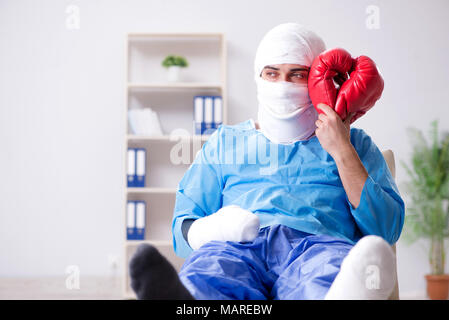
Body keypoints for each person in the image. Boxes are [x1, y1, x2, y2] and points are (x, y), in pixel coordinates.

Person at [129, 23, 405, 300]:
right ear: (258, 77)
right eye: (271, 74)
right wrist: (218, 228)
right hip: (237, 246)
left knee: (327, 273)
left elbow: (386, 230)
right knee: (211, 271)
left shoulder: (354, 143)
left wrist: (341, 148)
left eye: (297, 75)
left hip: (318, 247)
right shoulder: (226, 142)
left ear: (318, 81)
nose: (282, 86)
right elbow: (182, 229)